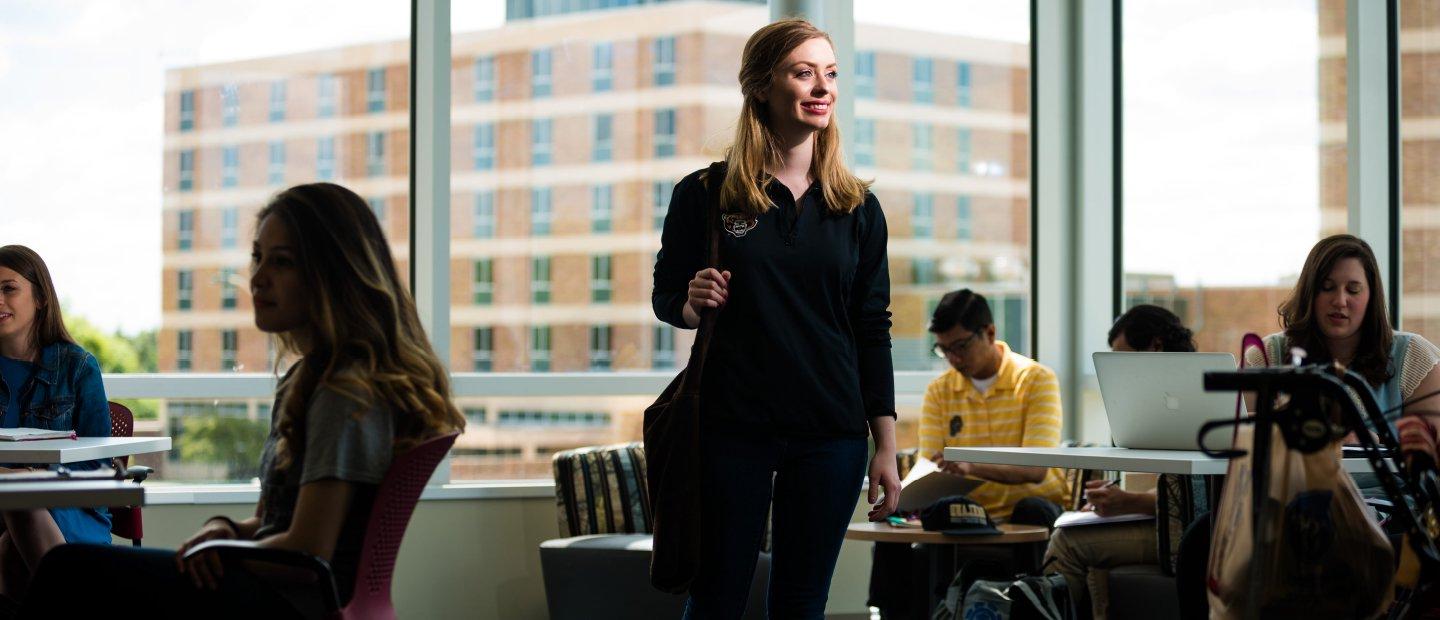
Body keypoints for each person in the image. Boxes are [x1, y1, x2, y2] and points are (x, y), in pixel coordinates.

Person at [19, 183, 466, 617]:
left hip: (284, 601)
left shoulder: (344, 392)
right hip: (274, 588)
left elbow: (309, 550)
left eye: (283, 262)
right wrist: (227, 529)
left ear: (334, 273)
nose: (258, 277)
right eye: (257, 257)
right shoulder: (311, 380)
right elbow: (276, 524)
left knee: (68, 569)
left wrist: (223, 552)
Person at [650, 18, 900, 619]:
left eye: (831, 74)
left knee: (801, 604)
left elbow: (873, 329)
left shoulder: (858, 208)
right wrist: (693, 299)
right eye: (803, 72)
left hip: (831, 433)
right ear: (762, 86)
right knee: (716, 600)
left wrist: (886, 446)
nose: (822, 88)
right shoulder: (704, 194)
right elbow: (667, 299)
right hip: (730, 428)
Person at [1042, 304, 1203, 620]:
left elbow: (1199, 496)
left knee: (1067, 542)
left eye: (1122, 356)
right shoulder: (1162, 399)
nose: (1116, 370)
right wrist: (1116, 499)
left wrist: (1128, 502)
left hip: (1187, 533)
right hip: (1166, 524)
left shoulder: (1193, 398)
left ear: (1155, 346)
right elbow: (1165, 482)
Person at [0, 245, 112, 605]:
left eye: (8, 288)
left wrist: (31, 474)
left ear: (41, 298)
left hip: (71, 508)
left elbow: (97, 468)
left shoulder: (78, 367)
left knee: (13, 531)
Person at [918, 289, 1069, 525]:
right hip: (968, 512)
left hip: (1034, 506)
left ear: (989, 333)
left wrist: (970, 466)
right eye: (944, 350)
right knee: (920, 520)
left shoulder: (1036, 379)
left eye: (960, 346)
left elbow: (1036, 469)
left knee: (1032, 510)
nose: (953, 358)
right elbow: (929, 467)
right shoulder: (939, 391)